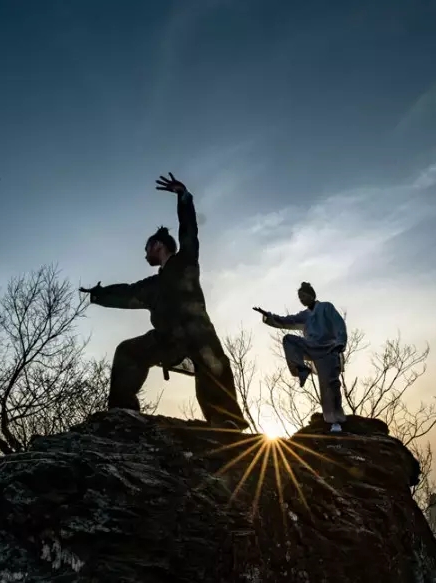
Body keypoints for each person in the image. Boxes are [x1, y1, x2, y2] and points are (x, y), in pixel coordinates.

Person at [79, 173, 250, 431]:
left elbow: (189, 230)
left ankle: (225, 419)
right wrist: (99, 295)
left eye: (147, 247)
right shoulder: (152, 286)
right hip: (167, 339)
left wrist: (183, 197)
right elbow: (127, 293)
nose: (145, 253)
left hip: (197, 333)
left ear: (158, 245)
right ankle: (122, 411)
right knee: (127, 351)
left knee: (214, 362)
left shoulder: (186, 262)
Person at [253, 282, 348, 432]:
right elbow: (286, 321)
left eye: (304, 296)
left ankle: (335, 421)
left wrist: (340, 341)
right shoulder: (304, 315)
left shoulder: (326, 307)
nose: (302, 299)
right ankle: (301, 370)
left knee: (330, 386)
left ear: (312, 295)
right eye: (299, 298)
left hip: (329, 349)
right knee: (289, 340)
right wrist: (268, 316)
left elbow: (339, 323)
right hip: (311, 347)